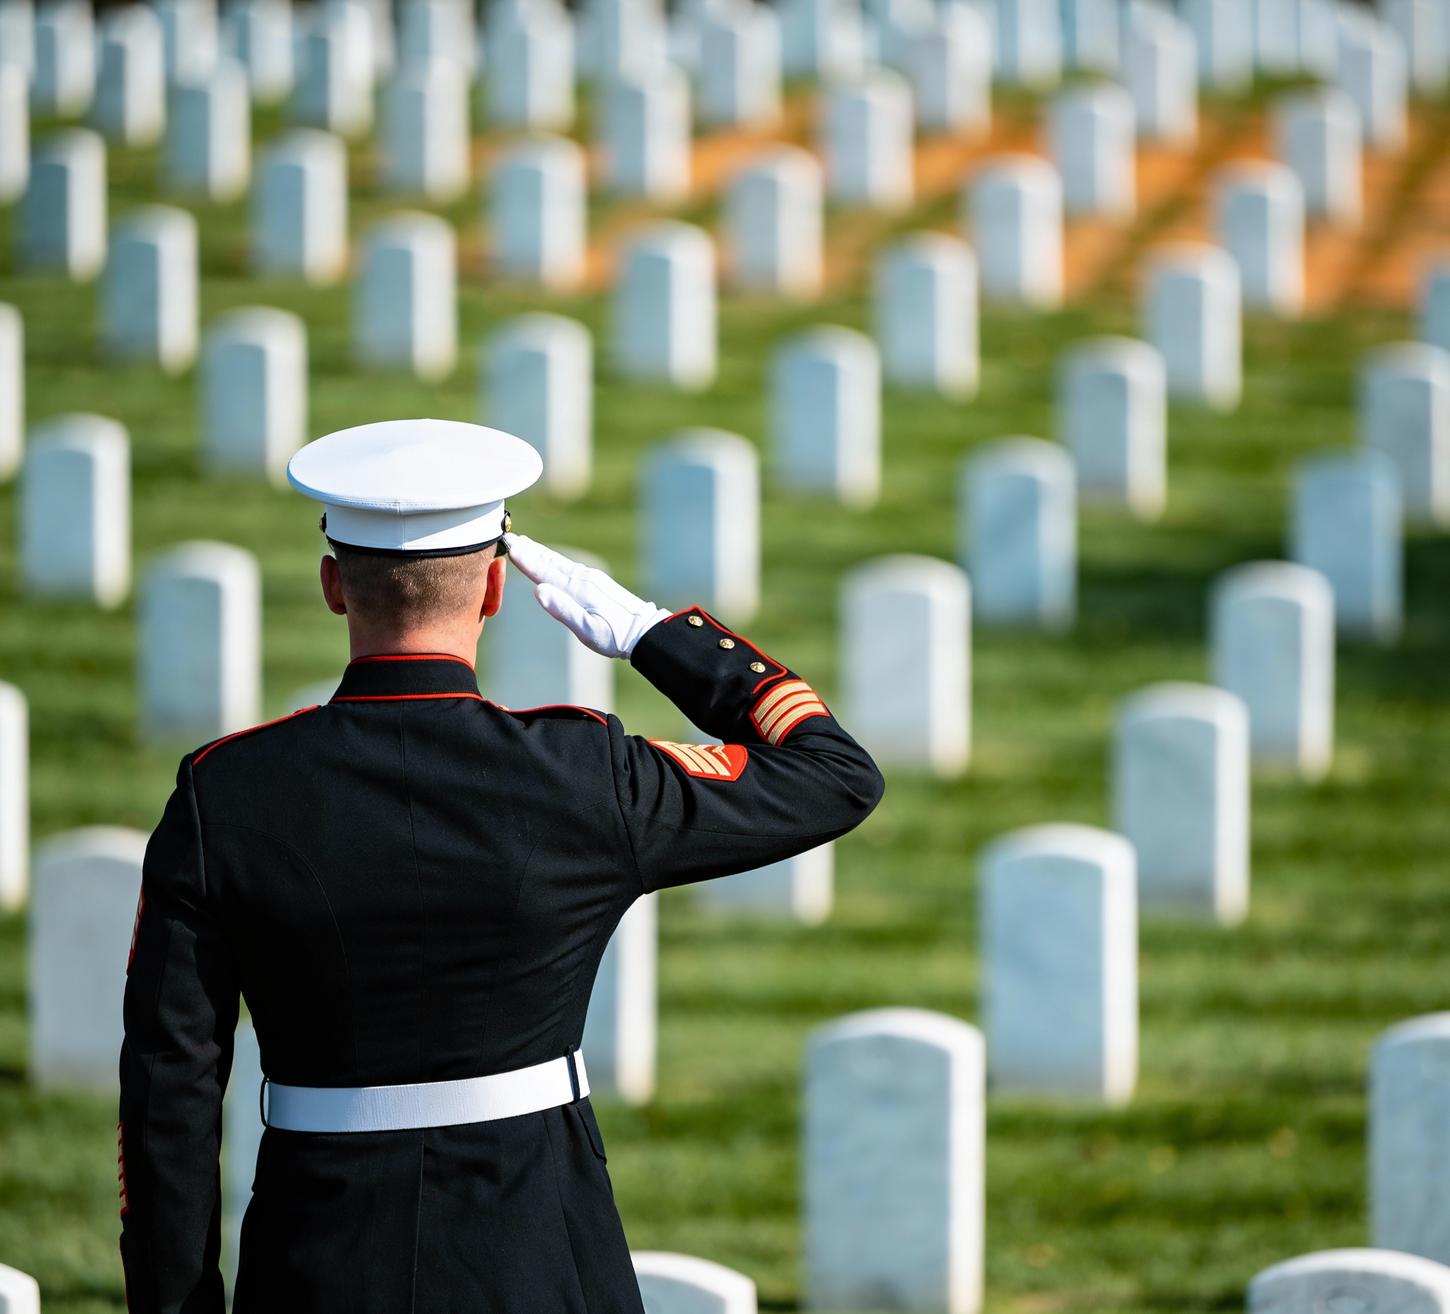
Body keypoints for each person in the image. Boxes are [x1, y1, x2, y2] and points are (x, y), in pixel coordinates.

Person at [117, 419, 885, 1313]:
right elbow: (836, 776)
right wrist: (649, 634)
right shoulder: (584, 778)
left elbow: (167, 1086)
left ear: (332, 583)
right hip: (540, 1256)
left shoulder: (228, 795)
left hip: (315, 1262)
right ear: (493, 588)